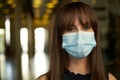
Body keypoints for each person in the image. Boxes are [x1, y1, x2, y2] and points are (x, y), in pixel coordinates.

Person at [37, 1, 116, 80]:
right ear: (60, 36)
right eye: (71, 29)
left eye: (86, 27)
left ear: (95, 33)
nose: (79, 36)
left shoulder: (110, 78)